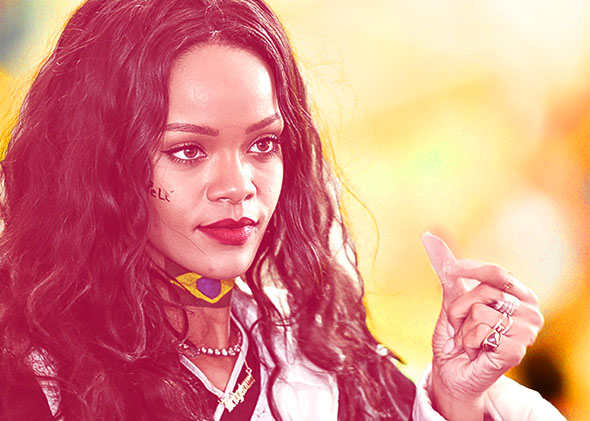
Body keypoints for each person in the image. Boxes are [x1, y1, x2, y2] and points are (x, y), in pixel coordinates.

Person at [0, 0, 565, 420]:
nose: (237, 187)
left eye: (263, 144)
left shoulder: (323, 362)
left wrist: (457, 394)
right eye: (188, 150)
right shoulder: (32, 375)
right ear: (101, 165)